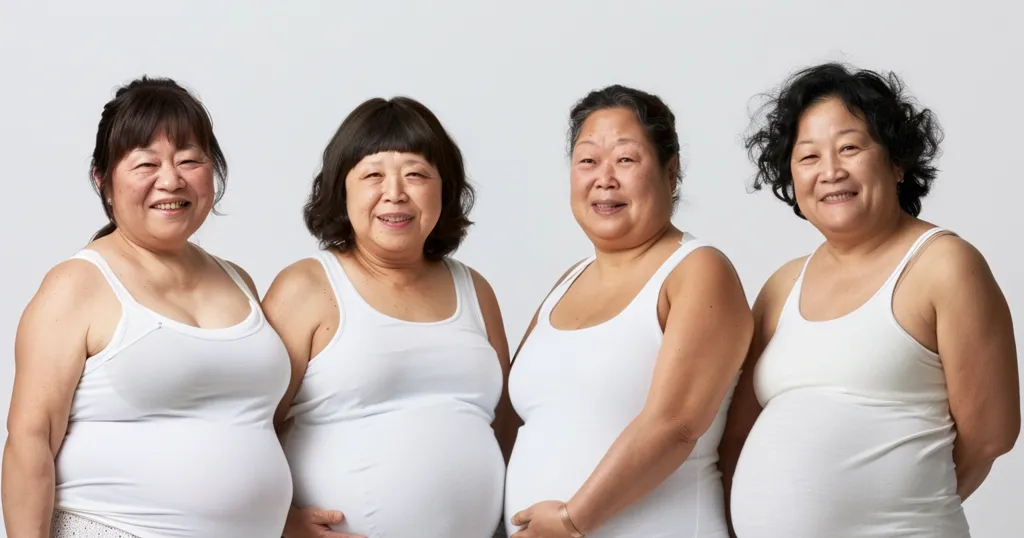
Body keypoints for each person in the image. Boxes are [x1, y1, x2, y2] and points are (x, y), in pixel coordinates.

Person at [721, 62, 1021, 537]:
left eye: (850, 147)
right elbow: (736, 438)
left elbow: (990, 436)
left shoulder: (944, 266)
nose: (831, 171)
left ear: (897, 161)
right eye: (808, 157)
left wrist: (890, 503)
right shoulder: (782, 286)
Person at [1, 76, 293, 537]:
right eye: (146, 164)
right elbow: (29, 443)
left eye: (190, 160)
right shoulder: (77, 285)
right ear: (104, 179)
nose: (171, 179)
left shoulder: (239, 281)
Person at [500, 85, 754, 538]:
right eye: (587, 161)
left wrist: (571, 521)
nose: (604, 178)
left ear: (670, 172)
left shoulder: (697, 270)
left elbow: (676, 424)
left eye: (626, 159)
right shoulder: (565, 283)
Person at [264, 96, 510, 538]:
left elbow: (505, 425)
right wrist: (280, 523)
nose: (395, 193)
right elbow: (247, 427)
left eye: (415, 174)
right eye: (373, 175)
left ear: (444, 188)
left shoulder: (475, 290)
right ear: (342, 189)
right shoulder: (307, 288)